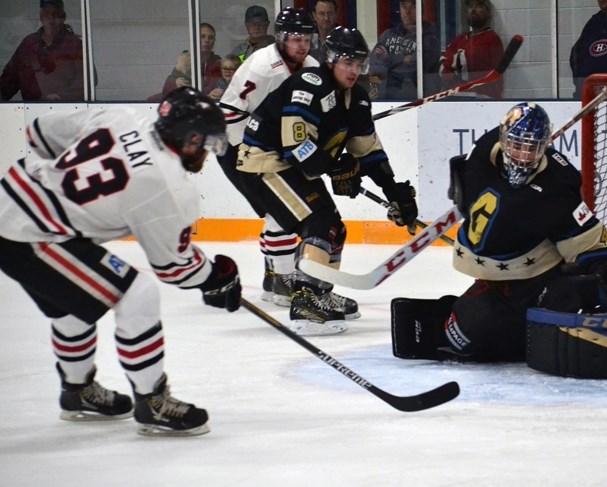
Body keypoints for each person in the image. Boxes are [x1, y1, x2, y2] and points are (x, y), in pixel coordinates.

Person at [389, 103, 607, 381]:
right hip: (493, 280)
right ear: (504, 139)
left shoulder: (557, 185)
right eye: (517, 145)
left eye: (532, 148)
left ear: (545, 146)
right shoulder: (483, 153)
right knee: (465, 341)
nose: (523, 156)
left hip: (539, 274)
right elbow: (464, 182)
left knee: (571, 300)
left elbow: (584, 236)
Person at [0, 87, 241, 436]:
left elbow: (38, 131)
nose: (207, 152)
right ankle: (153, 400)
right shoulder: (167, 185)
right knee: (137, 292)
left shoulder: (123, 117)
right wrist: (215, 276)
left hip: (13, 199)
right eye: (205, 142)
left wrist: (62, 186)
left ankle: (77, 391)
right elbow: (174, 268)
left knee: (71, 304)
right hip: (30, 232)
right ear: (188, 136)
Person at [239, 27, 419, 336]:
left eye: (358, 63)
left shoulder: (357, 99)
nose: (354, 70)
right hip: (263, 162)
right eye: (347, 62)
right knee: (319, 222)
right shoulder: (310, 86)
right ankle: (306, 298)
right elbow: (295, 146)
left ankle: (320, 292)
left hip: (290, 166)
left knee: (335, 227)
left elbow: (369, 152)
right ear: (331, 60)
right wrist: (336, 167)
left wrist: (395, 192)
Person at [219, 8, 349, 318]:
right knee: (279, 211)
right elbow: (230, 116)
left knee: (285, 210)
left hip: (274, 146)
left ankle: (275, 276)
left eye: (307, 38)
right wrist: (261, 147)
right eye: (295, 39)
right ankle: (280, 279)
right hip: (236, 145)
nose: (302, 45)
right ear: (280, 38)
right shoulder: (264, 68)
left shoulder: (313, 66)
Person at [0, 0, 85, 101]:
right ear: (41, 16)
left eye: (55, 14)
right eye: (46, 13)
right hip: (30, 112)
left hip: (66, 111)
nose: (50, 17)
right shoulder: (28, 44)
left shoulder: (74, 44)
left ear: (63, 17)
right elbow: (10, 78)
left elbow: (86, 80)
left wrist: (62, 96)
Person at [367, 0, 442, 100]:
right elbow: (374, 64)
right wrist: (404, 58)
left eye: (413, 7)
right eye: (404, 6)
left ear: (421, 10)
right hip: (384, 99)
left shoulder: (429, 39)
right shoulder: (388, 35)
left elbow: (414, 69)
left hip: (416, 101)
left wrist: (388, 59)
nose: (407, 11)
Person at [439, 0, 505, 99]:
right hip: (454, 98)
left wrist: (452, 67)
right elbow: (441, 66)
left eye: (479, 6)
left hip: (482, 99)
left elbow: (468, 62)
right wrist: (454, 64)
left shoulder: (491, 39)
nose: (473, 10)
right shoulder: (460, 38)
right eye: (470, 6)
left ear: (489, 14)